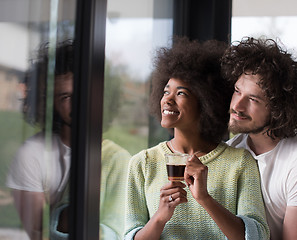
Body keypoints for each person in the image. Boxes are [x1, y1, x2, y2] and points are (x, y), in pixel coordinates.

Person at [124, 37, 270, 240]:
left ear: (206, 101)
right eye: (166, 91)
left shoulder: (240, 163)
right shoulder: (142, 164)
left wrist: (205, 199)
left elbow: (257, 236)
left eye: (180, 93)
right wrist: (159, 218)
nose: (167, 99)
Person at [6, 40, 131, 239]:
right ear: (49, 103)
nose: (78, 103)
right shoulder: (31, 155)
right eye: (65, 97)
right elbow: (39, 233)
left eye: (83, 93)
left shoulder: (119, 159)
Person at [221, 37, 297, 240]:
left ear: (278, 109)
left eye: (253, 99)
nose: (237, 105)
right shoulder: (231, 150)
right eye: (237, 91)